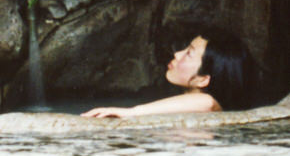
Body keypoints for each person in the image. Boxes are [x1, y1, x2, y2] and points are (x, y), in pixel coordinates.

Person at [83, 30, 257, 119]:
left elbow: (206, 103)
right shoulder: (187, 103)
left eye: (189, 53)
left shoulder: (208, 103)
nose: (177, 54)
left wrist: (129, 113)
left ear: (203, 79)